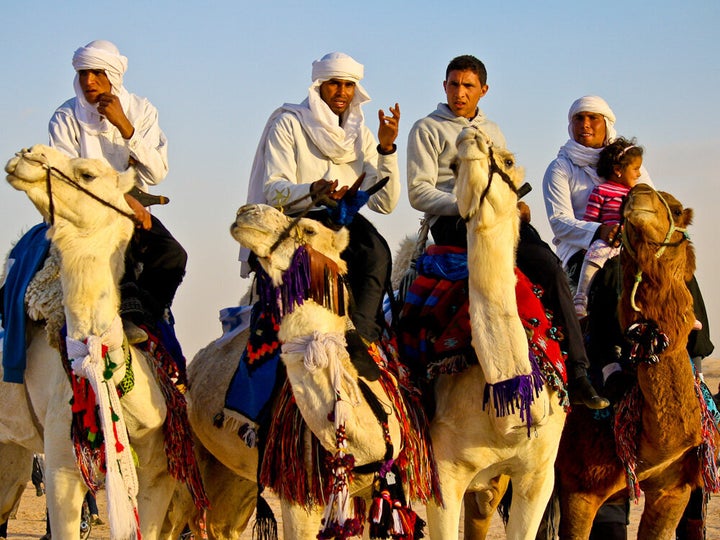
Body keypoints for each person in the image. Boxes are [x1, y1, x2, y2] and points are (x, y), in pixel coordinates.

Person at [406, 54, 608, 409]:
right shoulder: (427, 129)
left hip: (499, 216)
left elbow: (505, 176)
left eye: (468, 86)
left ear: (483, 90)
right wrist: (469, 202)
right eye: (454, 84)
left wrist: (512, 199)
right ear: (444, 86)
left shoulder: (493, 131)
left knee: (549, 267)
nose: (460, 93)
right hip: (454, 219)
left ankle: (578, 372)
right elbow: (418, 192)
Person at [244, 52, 401, 378]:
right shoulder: (289, 123)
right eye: (334, 84)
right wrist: (312, 190)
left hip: (342, 220)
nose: (342, 92)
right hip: (298, 221)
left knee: (377, 253)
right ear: (319, 86)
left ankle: (362, 338)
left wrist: (386, 150)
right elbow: (273, 188)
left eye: (348, 85)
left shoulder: (361, 134)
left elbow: (385, 202)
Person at [48, 40, 187, 341]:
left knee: (173, 255)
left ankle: (145, 320)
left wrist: (125, 127)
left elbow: (157, 172)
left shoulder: (142, 111)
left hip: (136, 213)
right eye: (83, 73)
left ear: (113, 75)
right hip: (87, 216)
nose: (88, 81)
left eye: (97, 73)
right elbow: (68, 179)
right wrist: (121, 202)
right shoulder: (65, 118)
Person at [573, 137, 643, 317]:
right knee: (594, 256)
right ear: (618, 170)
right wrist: (599, 233)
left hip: (629, 244)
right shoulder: (601, 191)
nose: (639, 174)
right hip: (607, 242)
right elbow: (590, 220)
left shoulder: (636, 194)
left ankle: (675, 309)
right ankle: (581, 298)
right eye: (635, 169)